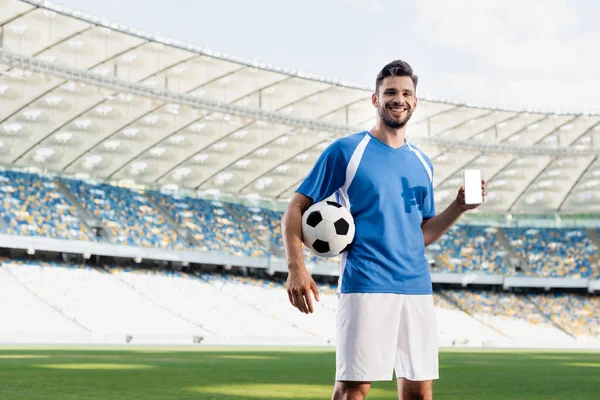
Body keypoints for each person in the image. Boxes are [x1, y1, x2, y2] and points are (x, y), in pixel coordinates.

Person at [281, 60, 486, 400]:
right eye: (390, 92)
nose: (398, 98)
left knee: (419, 393)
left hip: (417, 289)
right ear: (375, 100)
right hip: (366, 285)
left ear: (415, 103)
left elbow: (419, 234)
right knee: (352, 392)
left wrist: (459, 207)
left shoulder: (423, 162)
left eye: (406, 93)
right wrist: (296, 267)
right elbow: (295, 208)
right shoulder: (346, 151)